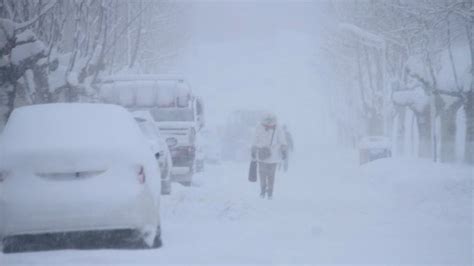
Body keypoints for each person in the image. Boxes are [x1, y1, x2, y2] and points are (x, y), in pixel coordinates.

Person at [251, 113, 287, 199]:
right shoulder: (278, 127)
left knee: (262, 174)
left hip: (262, 155)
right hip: (273, 156)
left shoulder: (259, 127)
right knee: (271, 175)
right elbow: (282, 141)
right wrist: (283, 151)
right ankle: (270, 192)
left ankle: (263, 191)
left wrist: (253, 151)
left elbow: (254, 140)